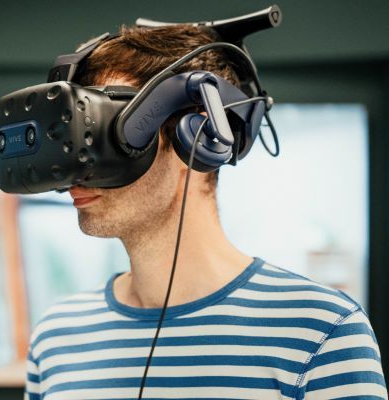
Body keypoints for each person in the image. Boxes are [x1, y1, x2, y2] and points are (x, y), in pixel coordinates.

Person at [24, 24, 388, 399]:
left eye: (103, 134)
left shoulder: (321, 333)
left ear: (197, 135)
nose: (75, 171)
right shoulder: (56, 335)